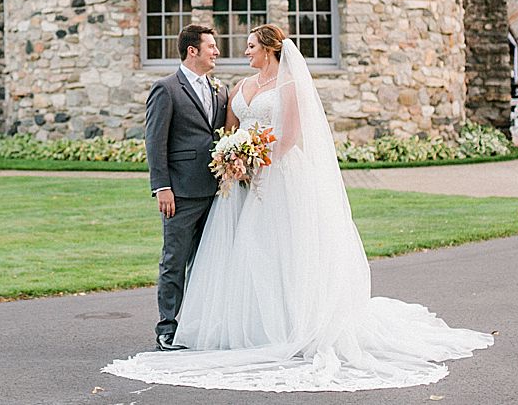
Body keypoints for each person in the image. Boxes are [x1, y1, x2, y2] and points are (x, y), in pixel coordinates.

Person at [107, 24, 493, 392]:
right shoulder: (216, 87)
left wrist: (255, 162)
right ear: (194, 51)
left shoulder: (262, 86)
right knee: (209, 256)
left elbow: (288, 136)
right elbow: (219, 133)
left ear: (270, 49)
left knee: (271, 251)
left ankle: (276, 327)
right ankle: (178, 328)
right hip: (229, 183)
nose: (238, 51)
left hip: (273, 177)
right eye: (216, 46)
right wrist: (225, 162)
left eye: (250, 46)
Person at [143, 24, 228, 352]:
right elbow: (155, 141)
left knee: (210, 260)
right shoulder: (167, 89)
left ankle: (200, 325)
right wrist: (162, 186)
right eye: (211, 47)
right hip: (179, 192)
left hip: (217, 191)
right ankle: (167, 328)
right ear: (192, 51)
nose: (216, 52)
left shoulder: (220, 89)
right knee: (174, 259)